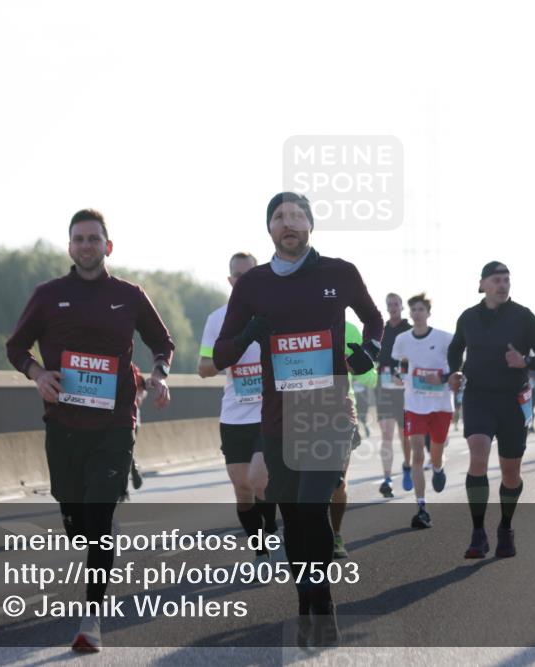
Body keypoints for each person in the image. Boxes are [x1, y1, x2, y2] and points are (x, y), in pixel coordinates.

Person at [213, 192, 382, 648]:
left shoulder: (340, 273)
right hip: (277, 420)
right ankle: (307, 602)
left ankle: (321, 605)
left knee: (311, 508)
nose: (287, 223)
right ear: (269, 228)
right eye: (278, 217)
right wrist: (248, 335)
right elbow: (222, 352)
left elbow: (374, 319)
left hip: (330, 414)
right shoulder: (253, 285)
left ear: (310, 223)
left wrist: (369, 351)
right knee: (293, 517)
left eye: (296, 215)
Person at [5, 208, 174, 653]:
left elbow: (162, 342)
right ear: (69, 247)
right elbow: (16, 347)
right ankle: (92, 523)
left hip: (115, 424)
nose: (86, 246)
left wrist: (159, 374)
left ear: (108, 246)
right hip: (63, 424)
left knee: (98, 521)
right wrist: (38, 374)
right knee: (77, 524)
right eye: (79, 239)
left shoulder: (129, 296)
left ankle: (91, 619)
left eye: (93, 239)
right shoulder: (48, 295)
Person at [447, 261, 535, 559]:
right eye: (496, 280)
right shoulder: (468, 317)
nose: (503, 285)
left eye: (507, 279)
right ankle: (478, 533)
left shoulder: (524, 316)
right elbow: (455, 348)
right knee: (478, 452)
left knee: (510, 473)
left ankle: (505, 527)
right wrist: (454, 372)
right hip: (478, 396)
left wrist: (525, 362)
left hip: (512, 400)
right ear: (482, 284)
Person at [198, 252, 278, 565]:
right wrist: (239, 342)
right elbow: (204, 368)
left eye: (250, 274)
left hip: (268, 412)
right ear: (230, 280)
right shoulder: (217, 319)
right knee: (243, 490)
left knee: (260, 480)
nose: (244, 281)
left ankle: (271, 529)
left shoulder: (276, 313)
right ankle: (261, 548)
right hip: (233, 415)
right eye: (238, 276)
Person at [390, 293, 453, 529]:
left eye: (421, 309)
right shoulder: (402, 339)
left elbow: (459, 363)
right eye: (413, 310)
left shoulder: (445, 338)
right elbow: (399, 364)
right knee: (417, 454)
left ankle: (438, 467)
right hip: (414, 404)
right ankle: (421, 507)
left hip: (441, 405)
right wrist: (399, 376)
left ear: (428, 313)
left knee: (435, 452)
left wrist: (443, 378)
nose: (417, 314)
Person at [330, 320, 378, 559]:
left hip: (342, 412)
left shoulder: (348, 329)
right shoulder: (295, 321)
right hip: (301, 411)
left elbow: (370, 378)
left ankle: (335, 534)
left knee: (337, 482)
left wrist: (361, 364)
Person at [374, 293, 411, 497]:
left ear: (402, 306)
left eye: (396, 304)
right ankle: (387, 478)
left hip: (405, 388)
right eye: (390, 304)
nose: (393, 307)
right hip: (384, 386)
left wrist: (403, 375)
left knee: (405, 434)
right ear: (386, 307)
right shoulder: (382, 330)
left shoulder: (409, 330)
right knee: (386, 433)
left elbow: (415, 357)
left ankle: (407, 467)